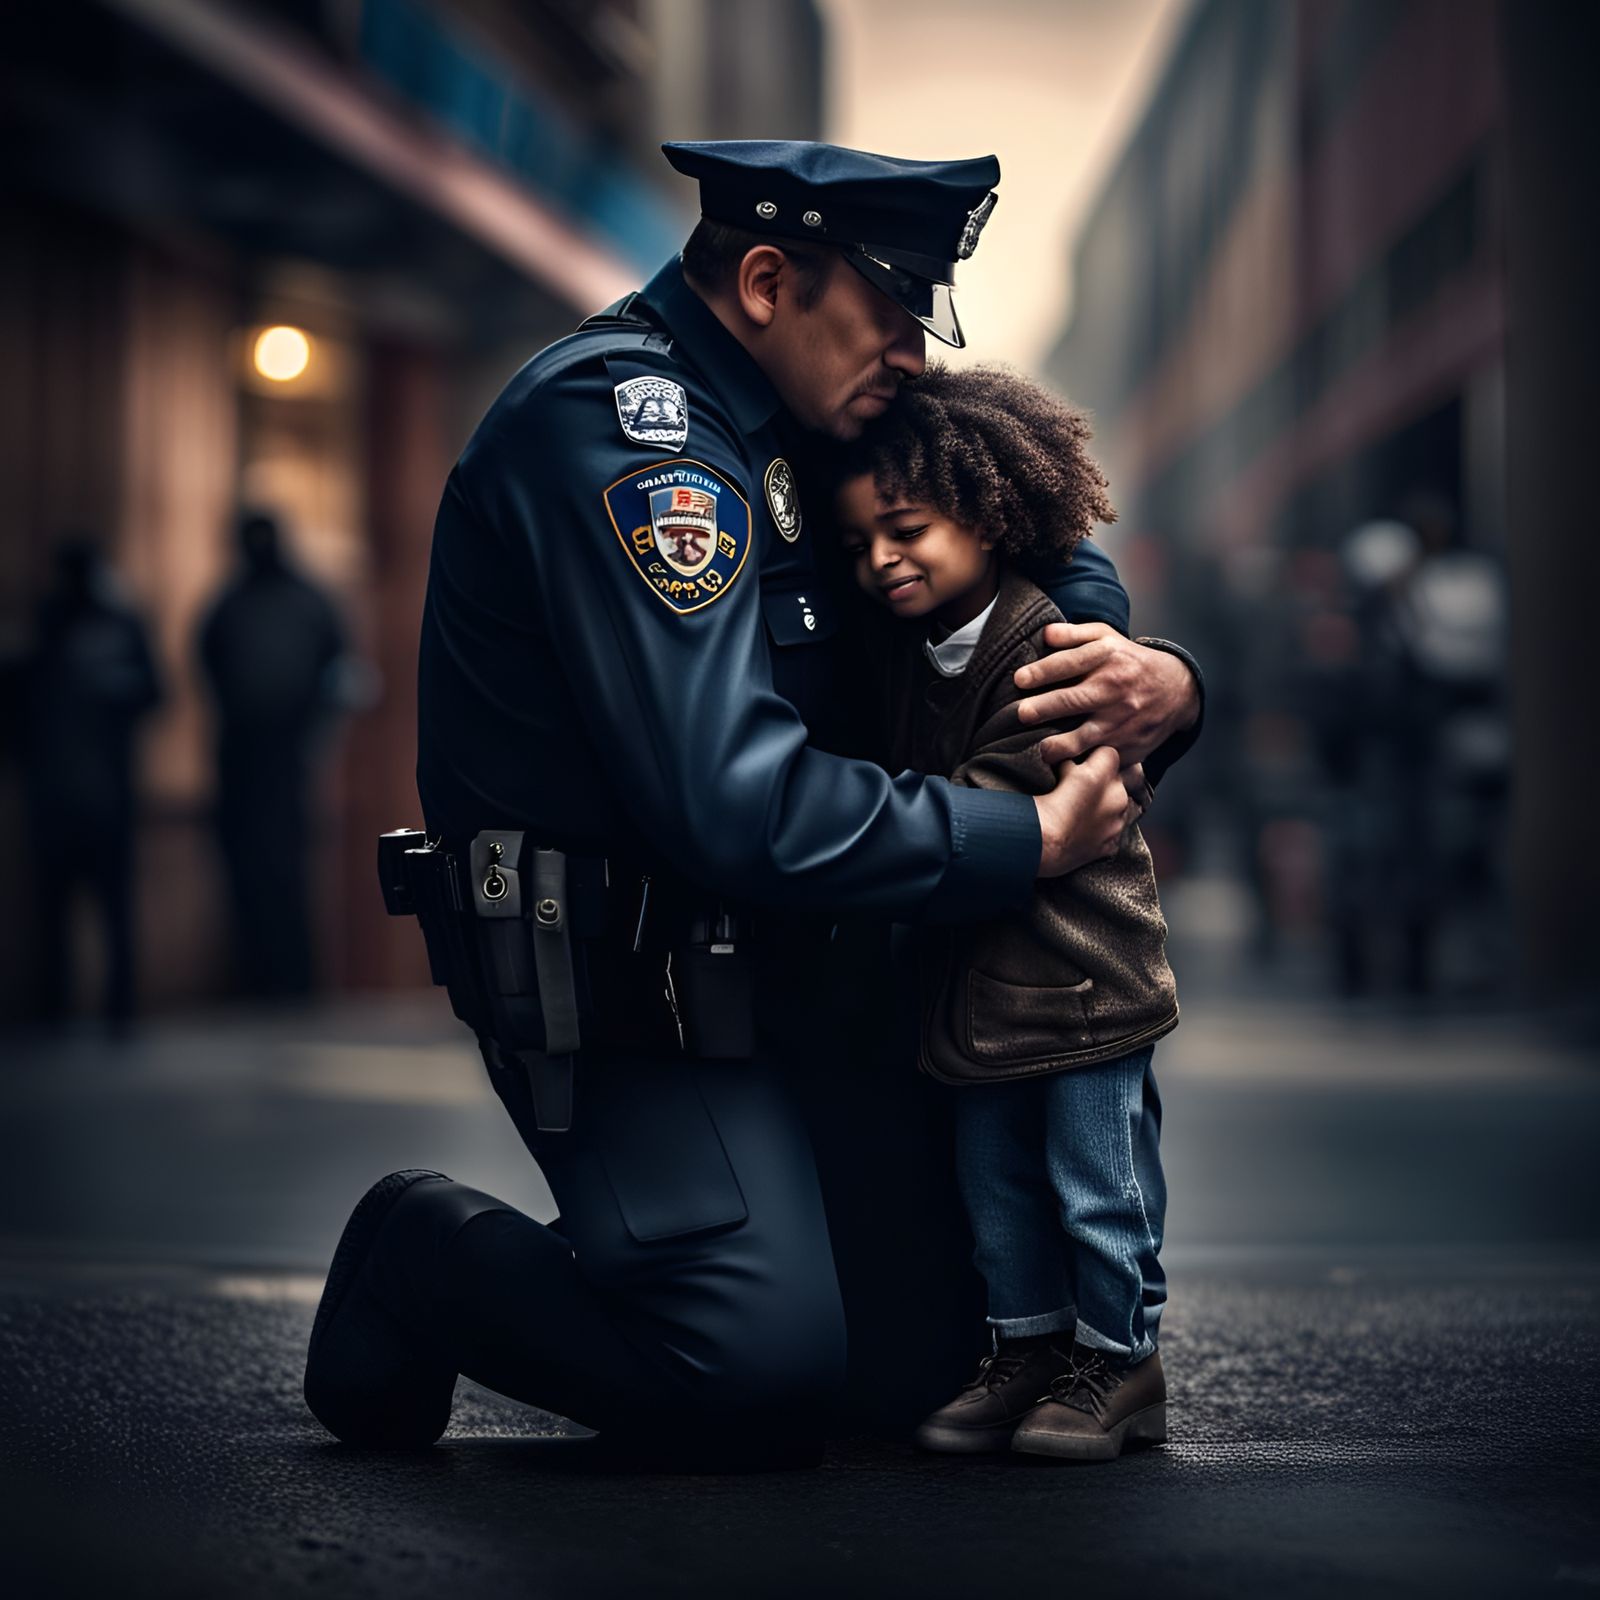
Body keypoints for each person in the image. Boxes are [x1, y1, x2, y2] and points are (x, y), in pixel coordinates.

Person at [302, 141, 1204, 1462]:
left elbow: (1026, 520)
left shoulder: (832, 409)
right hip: (625, 991)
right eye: (893, 314)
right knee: (746, 1370)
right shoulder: (624, 430)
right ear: (772, 280)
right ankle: (415, 1249)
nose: (913, 350)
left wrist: (1152, 677)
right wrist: (1030, 836)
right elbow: (733, 802)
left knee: (929, 1364)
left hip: (801, 972)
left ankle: (693, 1250)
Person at [832, 365, 1176, 1461]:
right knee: (996, 1187)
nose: (881, 559)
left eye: (905, 529)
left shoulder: (1052, 643)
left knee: (1094, 1181)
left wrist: (864, 829)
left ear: (986, 515)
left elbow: (1015, 790)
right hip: (976, 987)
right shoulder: (909, 645)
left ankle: (1119, 1361)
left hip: (1079, 979)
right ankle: (1025, 1347)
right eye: (857, 545)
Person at [197, 511, 349, 998]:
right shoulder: (234, 604)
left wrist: (314, 734)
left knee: (284, 869)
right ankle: (260, 979)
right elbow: (209, 667)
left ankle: (291, 980)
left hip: (285, 755)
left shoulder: (300, 602)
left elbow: (339, 673)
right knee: (251, 870)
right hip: (246, 754)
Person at [15, 537, 163, 1029]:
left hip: (100, 794)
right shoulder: (49, 625)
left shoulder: (115, 624)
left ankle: (115, 1010)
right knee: (57, 912)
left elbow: (152, 693)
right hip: (63, 794)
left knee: (109, 911)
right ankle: (58, 1009)